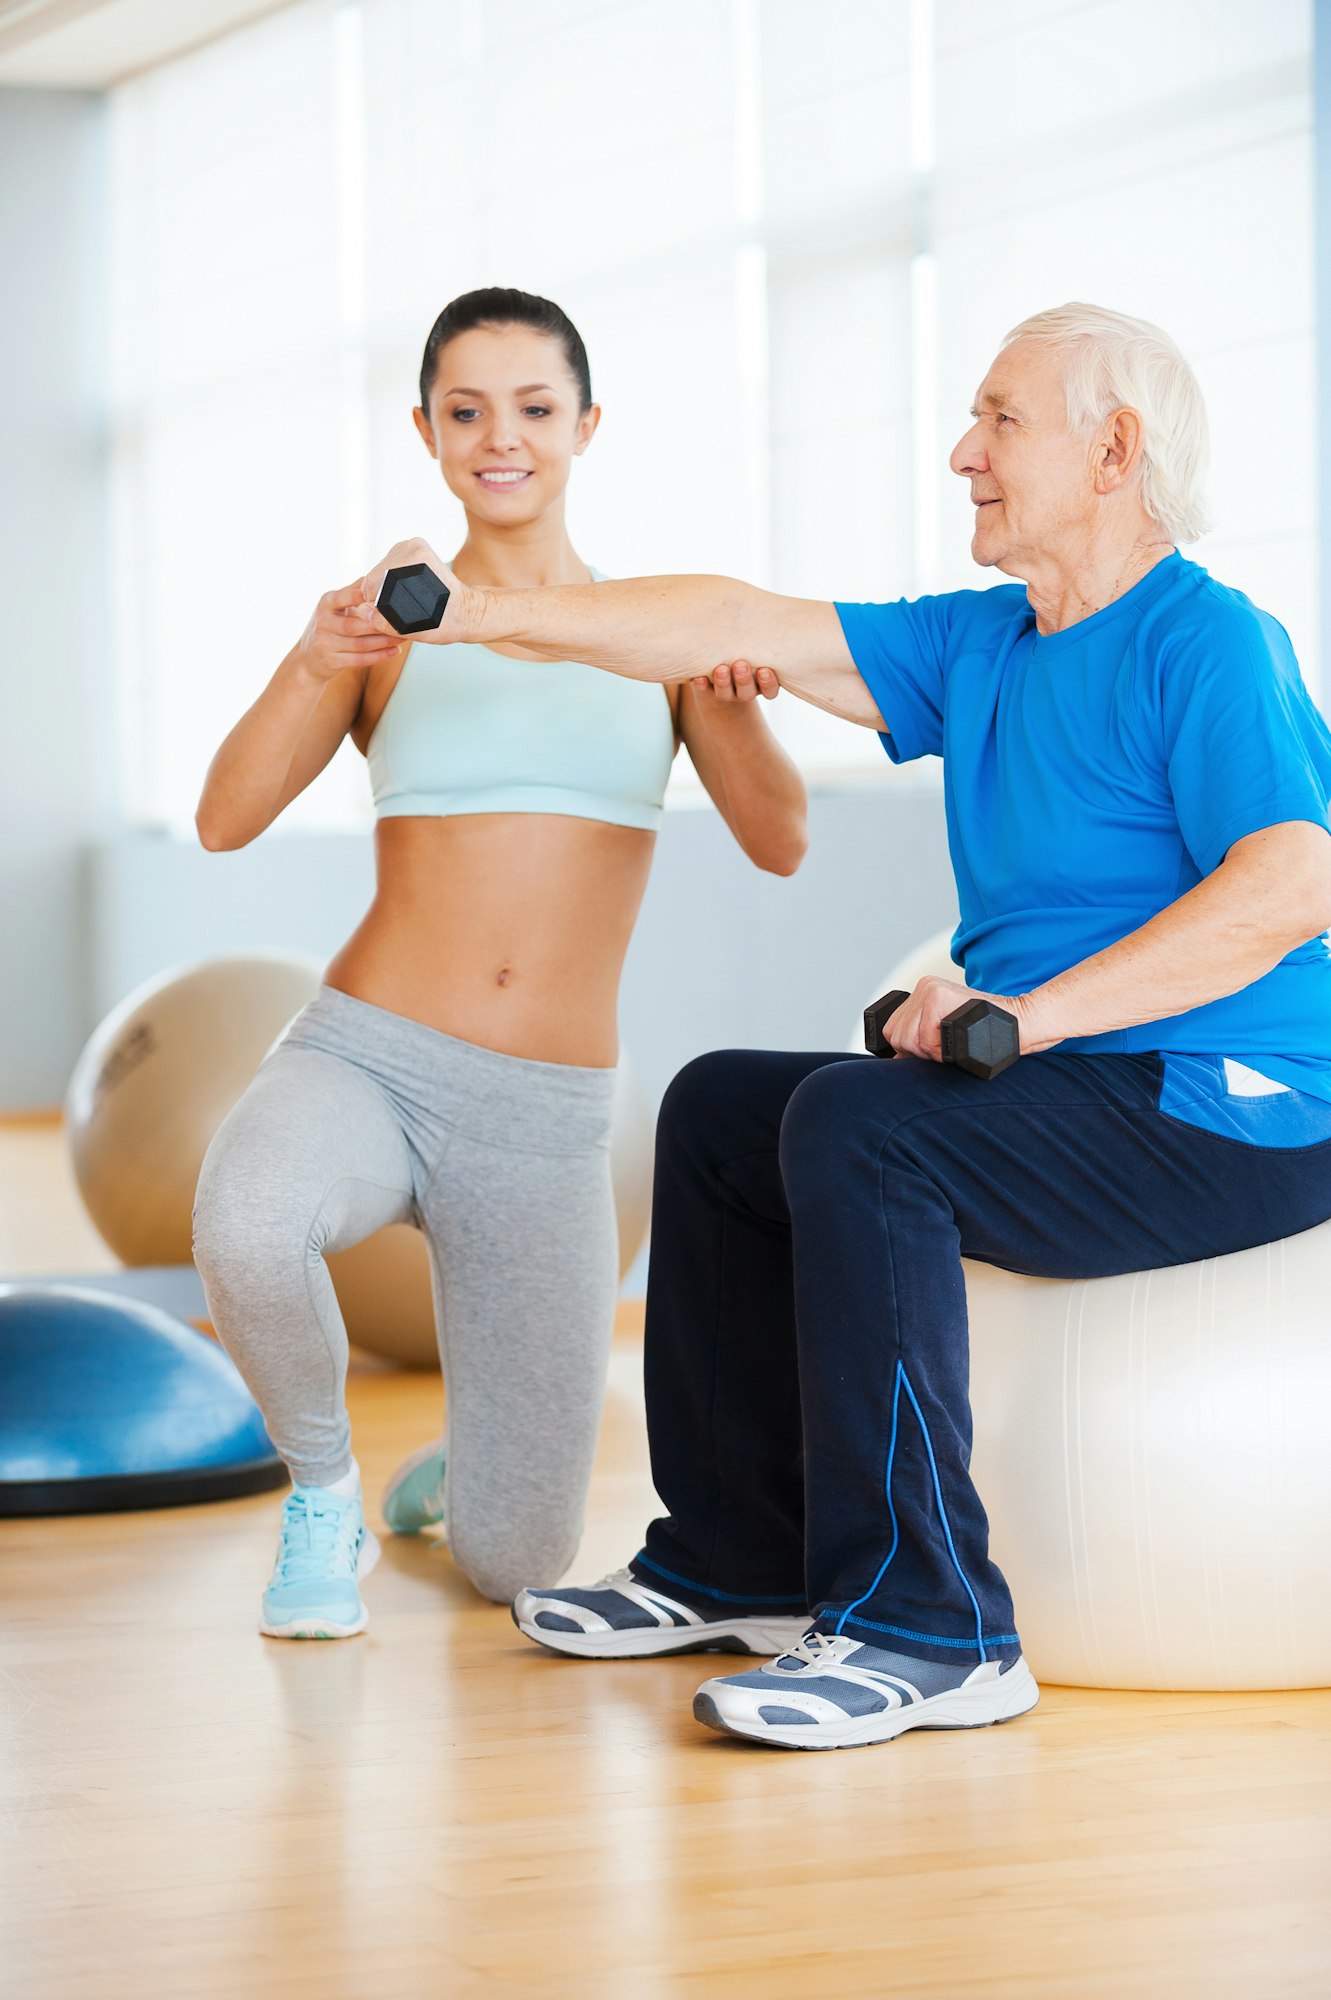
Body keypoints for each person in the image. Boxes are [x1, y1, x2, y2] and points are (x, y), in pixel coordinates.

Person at [356, 301, 1331, 1749]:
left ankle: (932, 1627)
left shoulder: (1207, 644)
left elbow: (1293, 881)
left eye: (1000, 421)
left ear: (1113, 449)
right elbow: (733, 622)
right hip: (1079, 1075)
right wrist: (484, 613)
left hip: (1231, 1099)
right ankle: (736, 1553)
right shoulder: (986, 644)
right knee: (722, 1111)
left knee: (868, 1130)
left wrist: (1031, 1014)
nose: (962, 453)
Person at [191, 287, 808, 1641]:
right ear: (427, 430)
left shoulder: (655, 633)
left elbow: (781, 843)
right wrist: (312, 659)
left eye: (534, 407)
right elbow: (224, 817)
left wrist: (730, 707)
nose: (501, 437)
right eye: (466, 410)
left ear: (588, 425)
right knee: (243, 1221)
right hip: (368, 1052)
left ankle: (467, 1478)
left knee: (514, 1566)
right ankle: (322, 1491)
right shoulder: (389, 629)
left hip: (541, 1117)